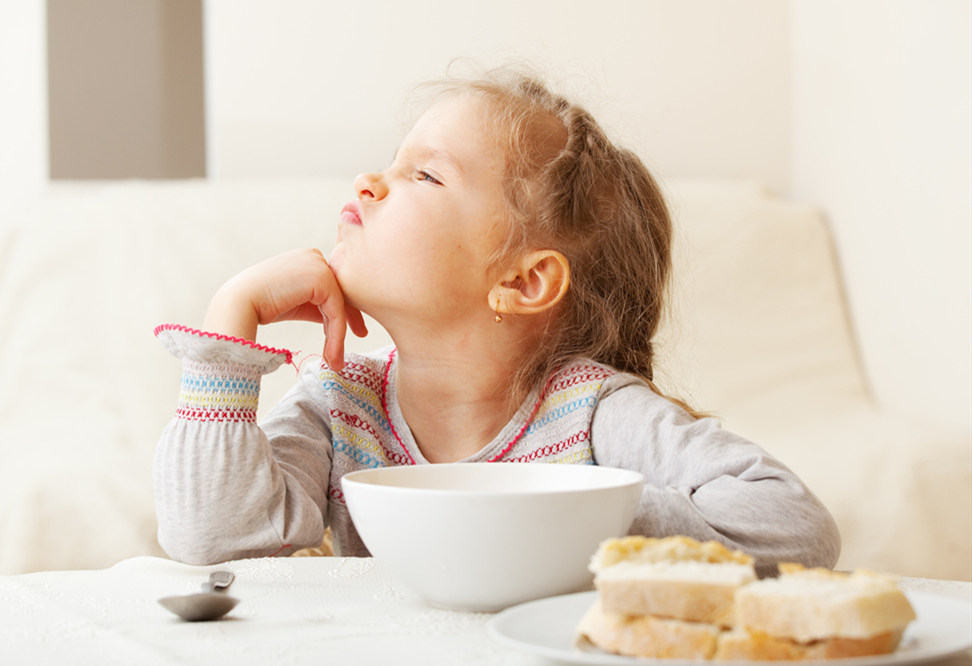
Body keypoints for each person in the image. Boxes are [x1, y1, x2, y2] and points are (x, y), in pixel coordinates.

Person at [153, 69, 840, 575]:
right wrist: (229, 323)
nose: (367, 181)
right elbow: (214, 542)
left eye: (425, 176)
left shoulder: (590, 413)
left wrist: (578, 514)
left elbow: (795, 526)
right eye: (394, 162)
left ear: (521, 281)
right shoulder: (339, 406)